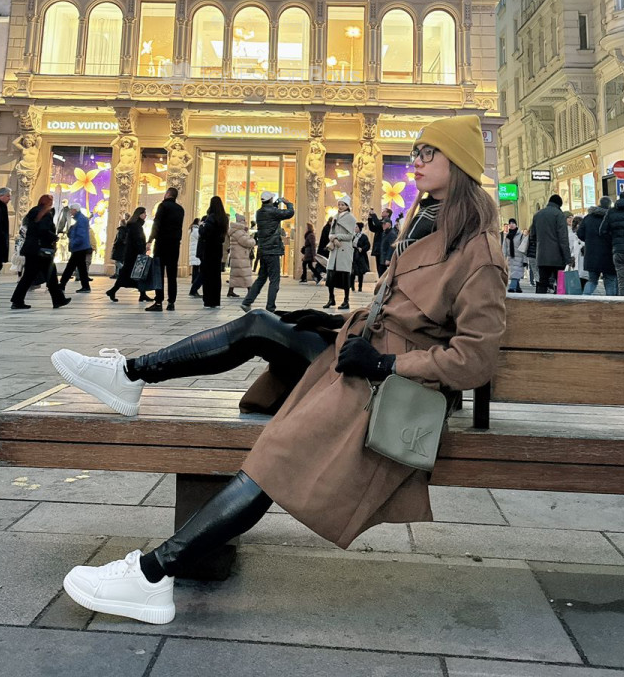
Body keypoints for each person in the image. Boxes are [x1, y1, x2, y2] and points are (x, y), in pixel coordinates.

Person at [49, 113, 507, 626]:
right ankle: (129, 376)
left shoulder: (479, 252)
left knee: (274, 459)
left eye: (428, 153)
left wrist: (385, 362)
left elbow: (474, 359)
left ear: (458, 164)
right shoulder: (427, 224)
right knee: (261, 324)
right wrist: (332, 321)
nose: (415, 161)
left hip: (389, 388)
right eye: (416, 151)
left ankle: (153, 576)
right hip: (357, 355)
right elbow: (400, 313)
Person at [10, 195, 71, 310]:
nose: (52, 203)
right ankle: (57, 299)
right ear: (48, 202)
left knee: (32, 276)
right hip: (41, 250)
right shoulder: (45, 214)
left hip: (32, 249)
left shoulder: (33, 212)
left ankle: (57, 299)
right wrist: (54, 237)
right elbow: (43, 230)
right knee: (47, 274)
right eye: (51, 201)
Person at [241, 191, 294, 312]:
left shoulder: (259, 212)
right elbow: (290, 213)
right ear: (270, 200)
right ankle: (270, 307)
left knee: (261, 278)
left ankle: (247, 302)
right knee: (274, 280)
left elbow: (270, 212)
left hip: (263, 249)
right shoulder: (273, 212)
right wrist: (288, 203)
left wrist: (275, 204)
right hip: (273, 250)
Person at [147, 188, 185, 312]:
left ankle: (159, 301)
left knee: (159, 273)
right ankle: (171, 302)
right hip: (174, 245)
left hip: (161, 244)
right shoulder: (180, 209)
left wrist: (150, 240)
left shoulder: (163, 206)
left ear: (167, 194)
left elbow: (156, 224)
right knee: (172, 274)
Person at [529, 194, 570, 293]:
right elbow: (563, 239)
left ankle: (541, 300)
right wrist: (567, 258)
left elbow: (532, 235)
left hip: (542, 256)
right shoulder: (559, 215)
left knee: (543, 281)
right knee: (560, 283)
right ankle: (559, 301)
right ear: (559, 204)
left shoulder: (537, 215)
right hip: (557, 257)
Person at [577, 198, 617, 296]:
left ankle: (585, 298)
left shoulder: (588, 218)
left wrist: (589, 241)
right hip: (608, 254)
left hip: (591, 253)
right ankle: (610, 302)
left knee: (592, 280)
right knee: (610, 280)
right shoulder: (612, 217)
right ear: (609, 205)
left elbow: (580, 233)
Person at [107, 208, 149, 302]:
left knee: (137, 274)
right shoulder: (135, 226)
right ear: (139, 214)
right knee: (129, 274)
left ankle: (142, 294)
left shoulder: (136, 225)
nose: (145, 215)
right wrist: (143, 248)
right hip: (133, 255)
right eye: (144, 213)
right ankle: (112, 291)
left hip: (133, 254)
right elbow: (137, 240)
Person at [600, 189, 624, 297]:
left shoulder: (611, 212)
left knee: (622, 282)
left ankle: (623, 303)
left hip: (618, 250)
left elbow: (602, 231)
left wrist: (613, 241)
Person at [323, 197, 356, 310]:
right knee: (330, 275)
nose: (340, 206)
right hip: (334, 249)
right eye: (339, 204)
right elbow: (330, 233)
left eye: (343, 204)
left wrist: (337, 237)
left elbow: (350, 236)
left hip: (344, 249)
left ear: (347, 206)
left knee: (344, 276)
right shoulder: (335, 217)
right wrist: (333, 238)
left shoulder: (351, 218)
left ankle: (346, 301)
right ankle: (331, 299)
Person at [197, 196, 228, 309]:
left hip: (209, 249)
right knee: (216, 275)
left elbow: (205, 233)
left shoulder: (211, 218)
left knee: (208, 275)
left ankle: (208, 300)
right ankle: (216, 300)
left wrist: (201, 227)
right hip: (218, 248)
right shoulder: (224, 218)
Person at [60, 205, 93, 293]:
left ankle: (62, 285)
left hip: (79, 247)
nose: (70, 211)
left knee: (70, 266)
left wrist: (73, 243)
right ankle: (85, 286)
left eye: (71, 210)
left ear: (75, 210)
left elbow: (80, 235)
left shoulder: (81, 220)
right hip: (81, 247)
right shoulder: (80, 219)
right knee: (81, 268)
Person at [227, 213, 254, 299]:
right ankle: (250, 290)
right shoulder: (238, 232)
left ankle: (231, 291)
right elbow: (246, 242)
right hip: (240, 256)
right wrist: (253, 240)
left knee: (236, 274)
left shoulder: (237, 230)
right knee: (244, 273)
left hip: (238, 255)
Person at [501, 217, 528, 293]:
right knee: (514, 273)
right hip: (510, 258)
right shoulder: (507, 236)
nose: (511, 225)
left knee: (515, 273)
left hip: (519, 258)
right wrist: (503, 258)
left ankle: (512, 287)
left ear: (516, 224)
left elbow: (524, 248)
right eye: (510, 223)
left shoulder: (521, 236)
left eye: (513, 223)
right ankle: (518, 287)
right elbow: (504, 247)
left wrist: (525, 260)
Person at [367, 207, 393, 277]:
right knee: (378, 267)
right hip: (378, 248)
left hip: (383, 249)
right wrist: (370, 219)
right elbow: (373, 228)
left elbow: (378, 224)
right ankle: (380, 280)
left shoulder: (387, 221)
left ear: (388, 213)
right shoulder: (381, 221)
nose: (382, 212)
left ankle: (382, 280)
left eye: (384, 211)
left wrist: (373, 215)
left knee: (382, 268)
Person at [351, 225, 371, 292]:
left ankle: (360, 287)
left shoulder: (364, 237)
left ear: (359, 228)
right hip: (353, 255)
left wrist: (362, 249)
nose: (355, 228)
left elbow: (368, 245)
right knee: (352, 272)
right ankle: (352, 286)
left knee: (360, 272)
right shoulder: (353, 236)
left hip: (360, 256)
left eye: (356, 227)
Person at [315, 214, 332, 283]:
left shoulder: (326, 228)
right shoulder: (327, 229)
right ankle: (318, 275)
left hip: (324, 249)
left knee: (322, 263)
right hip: (325, 249)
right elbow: (326, 239)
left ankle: (318, 275)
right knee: (323, 263)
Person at [187, 218, 202, 297]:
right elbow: (200, 237)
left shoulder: (192, 230)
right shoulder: (196, 230)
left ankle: (194, 280)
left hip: (193, 251)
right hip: (196, 250)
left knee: (195, 268)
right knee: (197, 269)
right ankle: (194, 282)